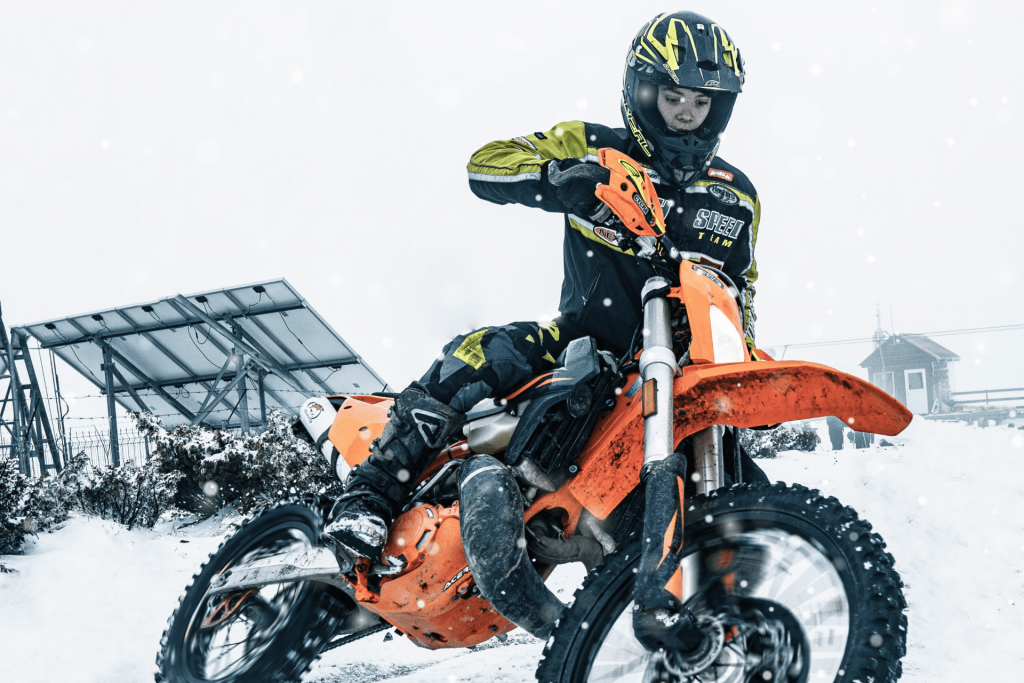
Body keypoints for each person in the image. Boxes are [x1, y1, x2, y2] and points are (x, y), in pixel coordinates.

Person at [323, 11, 762, 565]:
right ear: (642, 91)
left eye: (701, 102)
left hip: (686, 373)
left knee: (755, 503)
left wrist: (748, 359)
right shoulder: (593, 146)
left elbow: (742, 292)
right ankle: (370, 494)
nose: (686, 113)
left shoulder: (737, 196)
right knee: (479, 354)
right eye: (673, 97)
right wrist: (558, 179)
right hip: (583, 341)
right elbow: (486, 164)